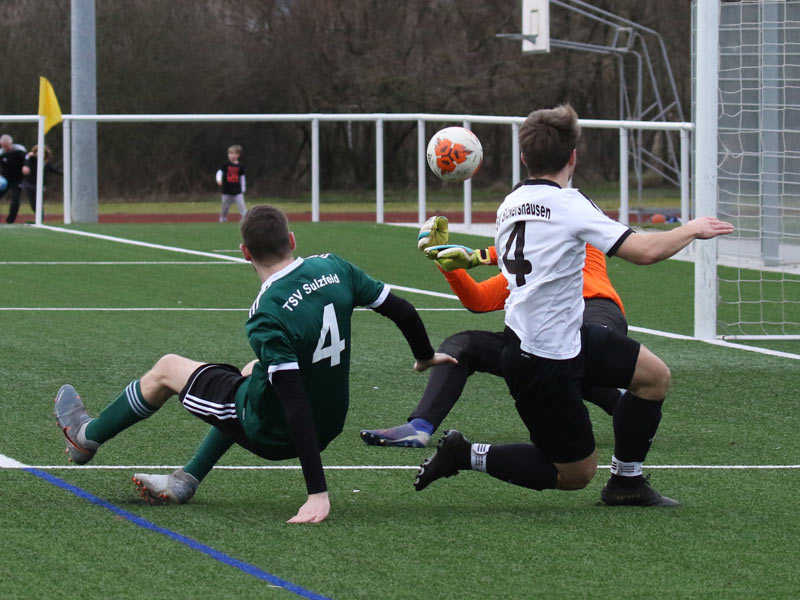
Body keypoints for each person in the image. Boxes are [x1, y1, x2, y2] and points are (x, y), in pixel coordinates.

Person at [414, 104, 734, 506]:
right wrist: (692, 229)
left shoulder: (510, 204)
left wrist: (471, 258)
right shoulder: (570, 203)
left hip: (564, 337)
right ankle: (465, 454)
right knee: (575, 474)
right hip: (542, 358)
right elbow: (645, 251)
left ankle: (627, 483)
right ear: (573, 157)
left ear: (524, 158)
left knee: (653, 376)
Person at [54, 204, 455, 523]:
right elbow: (402, 309)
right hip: (331, 422)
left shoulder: (267, 311)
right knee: (251, 370)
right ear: (292, 240)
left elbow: (294, 402)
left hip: (272, 431)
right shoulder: (335, 267)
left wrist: (317, 492)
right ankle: (186, 479)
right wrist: (424, 356)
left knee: (167, 368)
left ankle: (85, 437)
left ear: (245, 253)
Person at [360, 214, 627, 448]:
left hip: (594, 310)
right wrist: (446, 262)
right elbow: (478, 300)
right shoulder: (519, 273)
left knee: (576, 350)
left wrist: (478, 256)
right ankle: (420, 427)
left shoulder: (575, 233)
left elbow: (540, 244)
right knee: (462, 346)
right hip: (539, 337)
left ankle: (626, 404)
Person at [20, 145, 62, 222]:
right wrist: (28, 157)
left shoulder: (46, 163)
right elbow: (26, 163)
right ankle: (39, 218)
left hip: (40, 185)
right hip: (30, 184)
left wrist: (65, 173)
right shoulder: (32, 160)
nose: (40, 154)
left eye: (43, 153)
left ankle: (40, 219)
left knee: (38, 202)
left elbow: (53, 170)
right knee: (33, 204)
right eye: (38, 152)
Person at [0, 134, 28, 224]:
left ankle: (10, 220)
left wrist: (26, 166)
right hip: (5, 180)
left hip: (17, 180)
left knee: (15, 199)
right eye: (3, 146)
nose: (5, 148)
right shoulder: (1, 153)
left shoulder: (19, 150)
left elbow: (27, 160)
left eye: (6, 146)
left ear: (10, 143)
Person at [216, 144, 246, 222]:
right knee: (225, 206)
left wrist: (243, 188)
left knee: (241, 205)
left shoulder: (241, 166)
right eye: (230, 153)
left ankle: (246, 219)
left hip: (237, 191)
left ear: (238, 155)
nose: (231, 155)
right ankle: (223, 218)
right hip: (226, 190)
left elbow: (242, 178)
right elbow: (219, 172)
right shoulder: (225, 165)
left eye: (233, 153)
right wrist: (219, 180)